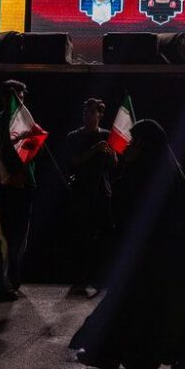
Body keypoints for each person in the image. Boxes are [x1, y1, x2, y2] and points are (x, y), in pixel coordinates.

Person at [70, 120, 185, 369]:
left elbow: (122, 214)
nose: (128, 146)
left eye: (133, 142)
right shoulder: (170, 177)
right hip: (163, 262)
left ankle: (117, 354)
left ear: (144, 146)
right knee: (162, 309)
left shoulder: (142, 178)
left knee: (133, 307)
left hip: (149, 261)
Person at [0, 80, 37, 303]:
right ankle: (3, 283)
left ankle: (13, 277)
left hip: (24, 185)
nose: (18, 101)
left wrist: (21, 173)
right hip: (1, 185)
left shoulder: (28, 122)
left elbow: (33, 152)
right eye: (13, 97)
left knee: (20, 236)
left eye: (21, 97)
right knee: (2, 236)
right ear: (4, 98)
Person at [63, 98, 116, 298]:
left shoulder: (107, 135)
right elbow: (73, 161)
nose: (87, 116)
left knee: (103, 236)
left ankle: (100, 277)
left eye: (92, 112)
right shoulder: (74, 136)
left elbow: (114, 163)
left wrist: (111, 153)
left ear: (100, 115)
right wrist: (94, 150)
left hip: (102, 191)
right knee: (82, 236)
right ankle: (80, 279)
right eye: (85, 112)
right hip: (82, 192)